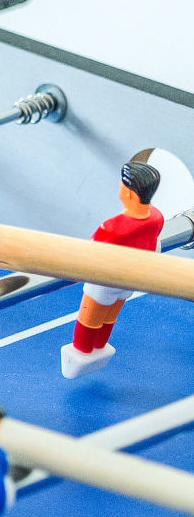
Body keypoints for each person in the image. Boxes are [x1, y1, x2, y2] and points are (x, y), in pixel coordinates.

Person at [64, 159, 164, 378]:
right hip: (131, 279)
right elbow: (155, 244)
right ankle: (100, 346)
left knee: (90, 315)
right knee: (110, 315)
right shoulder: (157, 216)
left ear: (129, 193)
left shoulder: (112, 227)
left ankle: (82, 351)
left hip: (106, 280)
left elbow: (88, 253)